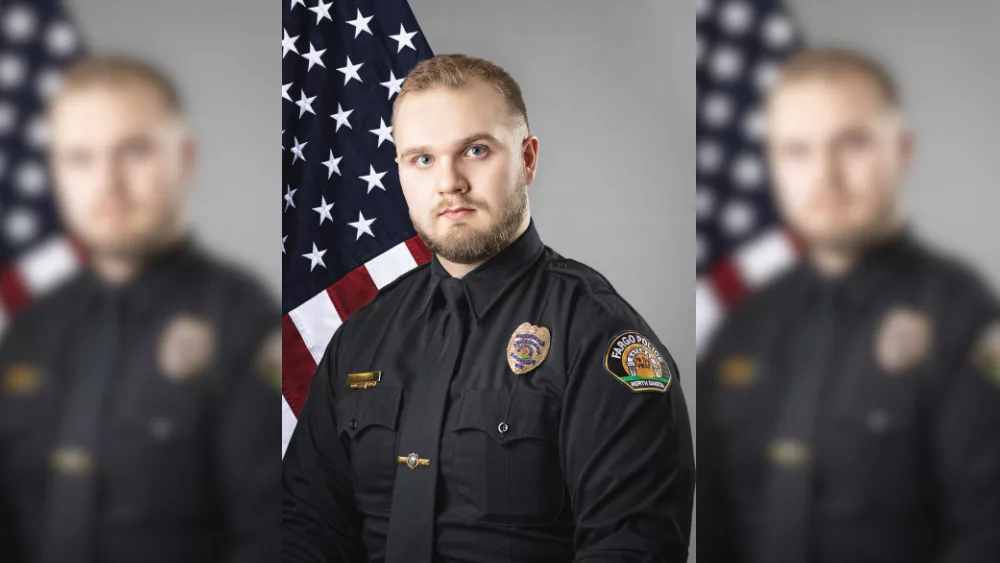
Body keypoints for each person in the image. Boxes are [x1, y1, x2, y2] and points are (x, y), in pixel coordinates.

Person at [282, 54, 695, 563]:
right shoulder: (362, 336)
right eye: (423, 158)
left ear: (528, 158)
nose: (449, 181)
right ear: (401, 173)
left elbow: (634, 547)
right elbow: (306, 528)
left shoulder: (597, 335)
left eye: (475, 150)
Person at [698, 48, 1000, 563]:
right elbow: (710, 527)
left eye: (852, 143)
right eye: (797, 150)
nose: (825, 175)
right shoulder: (742, 328)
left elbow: (987, 535)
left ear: (902, 151)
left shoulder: (963, 318)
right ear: (772, 164)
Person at [0, 57, 280, 563]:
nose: (108, 182)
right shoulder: (31, 332)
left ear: (186, 159)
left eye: (134, 151)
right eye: (79, 158)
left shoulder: (244, 325)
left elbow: (269, 540)